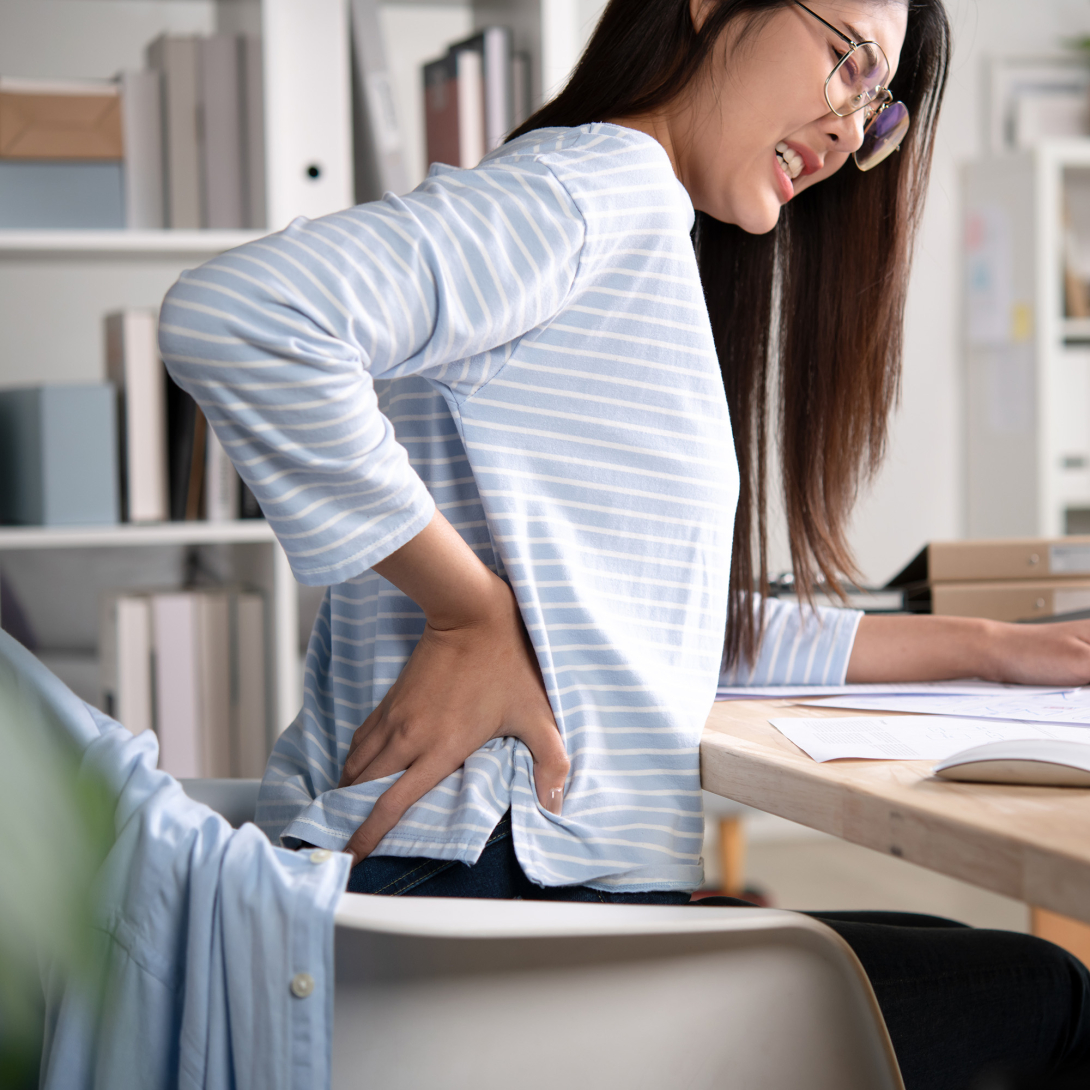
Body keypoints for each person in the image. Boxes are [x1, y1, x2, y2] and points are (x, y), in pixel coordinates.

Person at [158, 0, 1090, 1085]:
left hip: (464, 909)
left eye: (875, 110)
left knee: (981, 965)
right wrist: (470, 608)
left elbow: (645, 621)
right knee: (1050, 999)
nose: (847, 130)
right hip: (474, 915)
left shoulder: (638, 224)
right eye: (848, 63)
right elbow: (242, 315)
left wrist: (992, 646)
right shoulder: (596, 188)